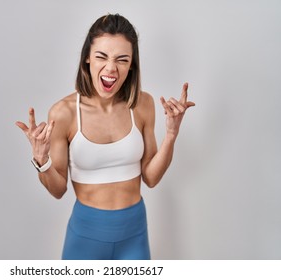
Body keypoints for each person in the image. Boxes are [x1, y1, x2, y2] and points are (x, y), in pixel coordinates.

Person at [16, 14, 195, 260]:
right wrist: (41, 160)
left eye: (122, 60)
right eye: (102, 56)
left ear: (131, 64)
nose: (111, 68)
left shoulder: (143, 104)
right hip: (85, 237)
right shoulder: (64, 112)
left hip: (134, 234)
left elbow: (151, 178)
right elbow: (58, 190)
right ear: (87, 58)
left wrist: (172, 135)